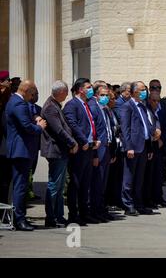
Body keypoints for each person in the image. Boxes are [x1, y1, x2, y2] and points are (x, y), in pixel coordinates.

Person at [6, 80, 47, 231]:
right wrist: (39, 127)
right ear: (26, 91)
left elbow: (28, 116)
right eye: (32, 93)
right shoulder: (18, 103)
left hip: (22, 150)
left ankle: (19, 217)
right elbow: (26, 126)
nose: (33, 96)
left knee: (20, 185)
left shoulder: (17, 102)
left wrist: (35, 117)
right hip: (21, 150)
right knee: (20, 186)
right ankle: (19, 219)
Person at [64, 78, 101, 226]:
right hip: (80, 149)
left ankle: (85, 214)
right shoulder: (72, 105)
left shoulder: (86, 105)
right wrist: (83, 140)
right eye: (88, 87)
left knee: (86, 183)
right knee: (76, 183)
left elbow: (91, 125)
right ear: (80, 90)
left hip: (90, 149)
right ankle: (74, 215)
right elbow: (72, 124)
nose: (91, 89)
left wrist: (94, 141)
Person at [40, 80, 78, 228]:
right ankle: (51, 217)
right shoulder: (50, 107)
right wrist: (72, 143)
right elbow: (59, 130)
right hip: (56, 151)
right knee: (54, 185)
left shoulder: (55, 105)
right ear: (60, 92)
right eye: (66, 91)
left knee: (59, 185)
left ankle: (58, 215)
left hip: (60, 151)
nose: (67, 94)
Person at [120, 81, 156, 216]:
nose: (144, 92)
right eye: (142, 90)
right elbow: (125, 129)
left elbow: (146, 126)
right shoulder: (127, 106)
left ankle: (138, 204)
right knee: (128, 179)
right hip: (133, 148)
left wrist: (150, 147)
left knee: (140, 179)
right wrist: (128, 147)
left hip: (144, 146)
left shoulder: (143, 106)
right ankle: (128, 205)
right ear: (134, 91)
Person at [88, 84, 115, 222]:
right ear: (96, 95)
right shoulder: (93, 108)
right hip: (98, 151)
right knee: (96, 183)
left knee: (102, 183)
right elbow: (93, 132)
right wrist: (95, 155)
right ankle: (93, 211)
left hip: (106, 149)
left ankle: (100, 209)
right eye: (102, 95)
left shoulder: (104, 109)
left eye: (107, 95)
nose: (105, 97)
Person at [145, 79, 166, 209]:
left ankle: (158, 197)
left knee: (159, 173)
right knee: (149, 173)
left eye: (158, 87)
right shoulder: (145, 107)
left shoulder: (164, 105)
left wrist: (162, 140)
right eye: (153, 87)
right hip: (149, 145)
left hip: (160, 146)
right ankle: (149, 199)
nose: (156, 89)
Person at [26, 88, 42, 201]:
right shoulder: (23, 108)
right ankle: (27, 192)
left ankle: (30, 190)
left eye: (38, 94)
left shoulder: (39, 109)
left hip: (36, 144)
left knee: (33, 168)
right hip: (26, 145)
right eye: (35, 94)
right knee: (26, 171)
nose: (37, 96)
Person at [0, 71, 12, 206]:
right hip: (3, 148)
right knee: (4, 183)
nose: (9, 83)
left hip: (4, 148)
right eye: (7, 80)